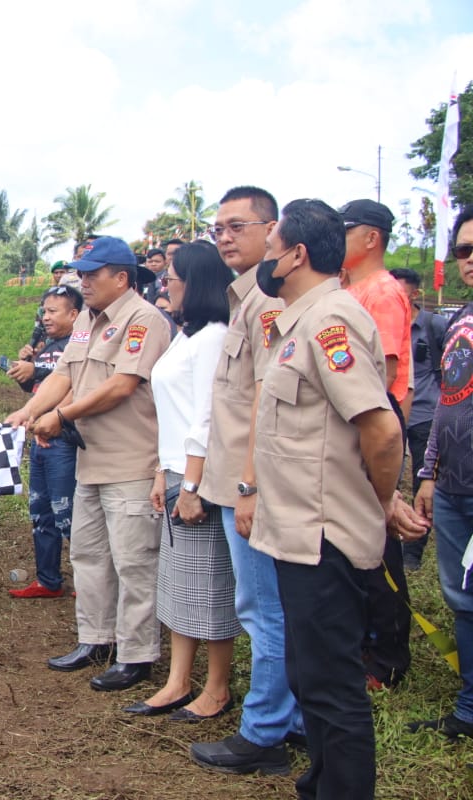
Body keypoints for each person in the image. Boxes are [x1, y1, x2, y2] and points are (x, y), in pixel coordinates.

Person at [248, 199, 402, 799]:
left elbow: (383, 430)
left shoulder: (329, 322)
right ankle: (321, 785)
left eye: (271, 248)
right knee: (310, 679)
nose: (265, 259)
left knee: (333, 688)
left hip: (326, 535)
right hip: (298, 533)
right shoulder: (300, 320)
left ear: (297, 255)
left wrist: (376, 503)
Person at [6, 236, 171, 691]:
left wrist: (59, 417)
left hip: (133, 460)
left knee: (133, 561)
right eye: (81, 273)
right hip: (91, 459)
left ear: (121, 278)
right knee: (88, 553)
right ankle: (95, 639)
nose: (84, 282)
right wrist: (30, 412)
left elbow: (121, 386)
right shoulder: (86, 321)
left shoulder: (144, 320)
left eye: (92, 274)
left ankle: (137, 654)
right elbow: (63, 374)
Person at [190, 186, 302, 777]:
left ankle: (265, 732)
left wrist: (250, 487)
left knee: (262, 609)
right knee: (271, 606)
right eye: (218, 229)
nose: (226, 238)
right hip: (240, 479)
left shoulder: (266, 303)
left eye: (238, 226)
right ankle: (295, 719)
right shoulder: (246, 297)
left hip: (249, 484)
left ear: (272, 230)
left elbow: (265, 400)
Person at [127, 242, 240, 721]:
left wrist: (191, 486)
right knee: (177, 585)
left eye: (173, 276)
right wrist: (161, 470)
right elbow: (171, 414)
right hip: (174, 469)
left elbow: (207, 417)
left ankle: (216, 687)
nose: (165, 283)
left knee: (208, 583)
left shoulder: (215, 336)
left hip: (200, 474)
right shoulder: (184, 335)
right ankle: (178, 681)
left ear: (198, 282)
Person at [339, 199, 414, 690]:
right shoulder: (350, 289)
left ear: (371, 238)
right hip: (355, 431)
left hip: (376, 429)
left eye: (345, 231)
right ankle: (365, 643)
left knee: (378, 546)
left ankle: (387, 657)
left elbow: (381, 377)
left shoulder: (382, 292)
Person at [408, 207, 473, 741]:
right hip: (452, 486)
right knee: (459, 594)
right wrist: (427, 474)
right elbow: (447, 404)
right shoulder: (458, 320)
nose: (469, 260)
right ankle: (470, 704)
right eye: (464, 250)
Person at [4, 284, 83, 599]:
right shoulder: (47, 346)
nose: (46, 318)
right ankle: (48, 580)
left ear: (74, 314)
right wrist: (27, 372)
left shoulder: (79, 343)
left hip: (63, 440)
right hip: (38, 438)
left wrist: (35, 368)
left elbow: (74, 379)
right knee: (41, 513)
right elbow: (36, 392)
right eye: (44, 312)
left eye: (53, 311)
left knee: (70, 514)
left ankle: (89, 580)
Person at [390, 267, 447, 570]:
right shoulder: (383, 324)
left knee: (424, 484)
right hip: (395, 416)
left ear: (414, 294)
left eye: (400, 291)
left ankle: (414, 550)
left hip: (427, 414)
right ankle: (392, 541)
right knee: (390, 482)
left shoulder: (434, 326)